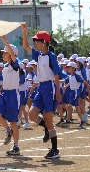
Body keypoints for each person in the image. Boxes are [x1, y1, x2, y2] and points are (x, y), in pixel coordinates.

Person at [21, 24, 62, 159]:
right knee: (32, 115)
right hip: (41, 87)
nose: (34, 43)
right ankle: (46, 128)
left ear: (43, 42)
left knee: (49, 119)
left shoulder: (51, 56)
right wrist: (24, 30)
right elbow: (26, 47)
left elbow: (56, 74)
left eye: (36, 41)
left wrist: (58, 92)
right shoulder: (38, 55)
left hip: (50, 88)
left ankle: (55, 149)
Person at [0, 36, 20, 156]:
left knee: (13, 121)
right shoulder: (4, 67)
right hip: (5, 93)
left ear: (11, 54)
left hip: (13, 95)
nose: (3, 54)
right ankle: (8, 130)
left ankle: (16, 146)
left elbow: (13, 57)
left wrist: (4, 40)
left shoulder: (15, 65)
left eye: (5, 53)